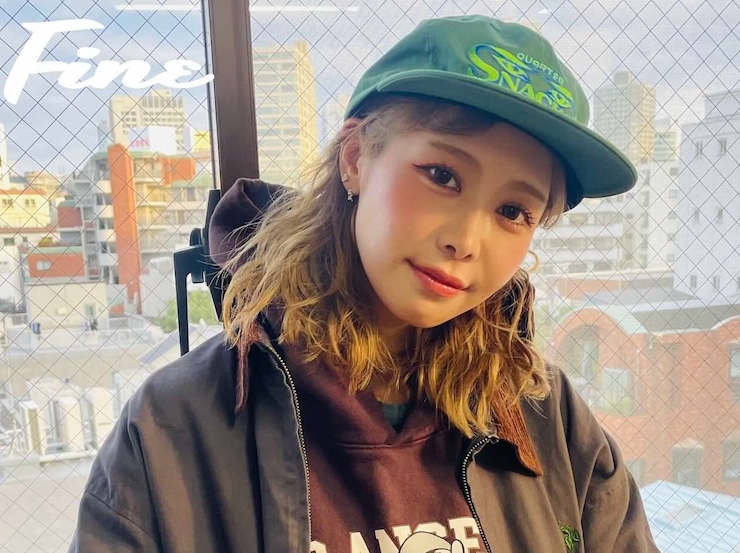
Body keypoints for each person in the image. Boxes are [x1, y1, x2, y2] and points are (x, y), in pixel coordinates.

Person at [68, 14, 659, 553]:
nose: (466, 240)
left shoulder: (548, 417)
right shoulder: (175, 427)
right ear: (354, 158)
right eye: (442, 175)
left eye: (513, 211)